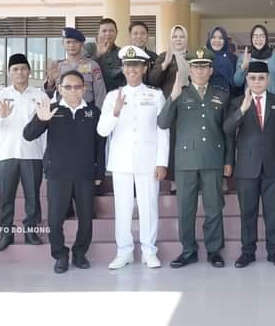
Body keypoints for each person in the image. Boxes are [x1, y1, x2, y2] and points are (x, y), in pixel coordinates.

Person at [157, 46, 235, 268]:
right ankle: (188, 250)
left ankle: (214, 250)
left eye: (204, 67)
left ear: (211, 70)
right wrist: (172, 98)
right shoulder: (179, 94)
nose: (200, 71)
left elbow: (228, 132)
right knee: (186, 208)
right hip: (186, 161)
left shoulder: (221, 95)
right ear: (189, 70)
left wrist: (229, 160)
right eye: (196, 67)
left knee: (213, 207)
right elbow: (162, 123)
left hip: (213, 158)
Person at [22, 70, 105, 274]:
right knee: (55, 219)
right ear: (59, 89)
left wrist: (99, 174)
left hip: (85, 174)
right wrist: (41, 120)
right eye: (68, 87)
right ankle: (60, 255)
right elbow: (28, 135)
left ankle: (79, 253)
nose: (73, 90)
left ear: (84, 88)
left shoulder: (93, 112)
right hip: (58, 174)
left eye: (77, 86)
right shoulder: (50, 109)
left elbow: (100, 146)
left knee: (86, 217)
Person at [97, 46, 170, 270]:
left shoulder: (156, 95)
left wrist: (162, 161)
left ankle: (149, 251)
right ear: (122, 68)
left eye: (136, 65)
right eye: (128, 66)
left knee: (149, 206)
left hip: (148, 160)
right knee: (123, 207)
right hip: (122, 160)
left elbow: (163, 130)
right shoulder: (112, 96)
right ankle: (124, 251)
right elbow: (102, 130)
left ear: (144, 68)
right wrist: (115, 112)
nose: (132, 69)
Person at [223, 61, 275, 268]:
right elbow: (227, 129)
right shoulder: (237, 103)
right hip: (246, 167)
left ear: (268, 79)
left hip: (273, 165)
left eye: (261, 78)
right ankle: (247, 252)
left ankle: (274, 252)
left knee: (273, 211)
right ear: (247, 79)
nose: (257, 82)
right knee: (248, 212)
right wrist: (242, 111)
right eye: (253, 78)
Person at [0, 53, 49, 251]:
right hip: (6, 154)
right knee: (6, 197)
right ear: (9, 72)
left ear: (29, 71)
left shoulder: (39, 95)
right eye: (15, 69)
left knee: (33, 196)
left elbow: (46, 125)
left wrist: (46, 153)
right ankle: (6, 234)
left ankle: (31, 231)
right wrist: (1, 118)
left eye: (23, 68)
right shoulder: (0, 96)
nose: (19, 72)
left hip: (33, 154)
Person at [148, 24, 189, 190]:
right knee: (172, 141)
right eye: (174, 37)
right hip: (170, 104)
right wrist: (164, 65)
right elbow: (153, 80)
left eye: (181, 36)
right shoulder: (164, 56)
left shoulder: (191, 56)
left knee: (187, 140)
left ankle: (189, 176)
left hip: (188, 105)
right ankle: (174, 181)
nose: (178, 40)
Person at [44, 27, 106, 108]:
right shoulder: (57, 66)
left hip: (87, 112)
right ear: (63, 43)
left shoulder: (92, 65)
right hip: (63, 112)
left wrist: (99, 114)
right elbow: (49, 95)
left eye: (76, 42)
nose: (72, 45)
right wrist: (50, 82)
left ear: (82, 44)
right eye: (68, 42)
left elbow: (100, 93)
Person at [233, 24, 275, 99]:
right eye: (255, 36)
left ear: (266, 38)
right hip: (251, 102)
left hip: (274, 103)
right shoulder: (244, 57)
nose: (258, 39)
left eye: (262, 36)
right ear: (251, 38)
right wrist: (243, 67)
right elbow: (237, 83)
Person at [85, 18, 125, 92]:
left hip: (114, 96)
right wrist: (98, 54)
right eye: (104, 31)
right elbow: (83, 69)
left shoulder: (121, 52)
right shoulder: (89, 47)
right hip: (93, 96)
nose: (108, 34)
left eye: (111, 31)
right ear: (98, 33)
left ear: (116, 33)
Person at [206, 26, 238, 96]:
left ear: (225, 41)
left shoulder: (232, 58)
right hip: (207, 99)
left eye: (220, 38)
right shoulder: (204, 57)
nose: (217, 40)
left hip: (229, 99)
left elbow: (236, 83)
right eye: (213, 37)